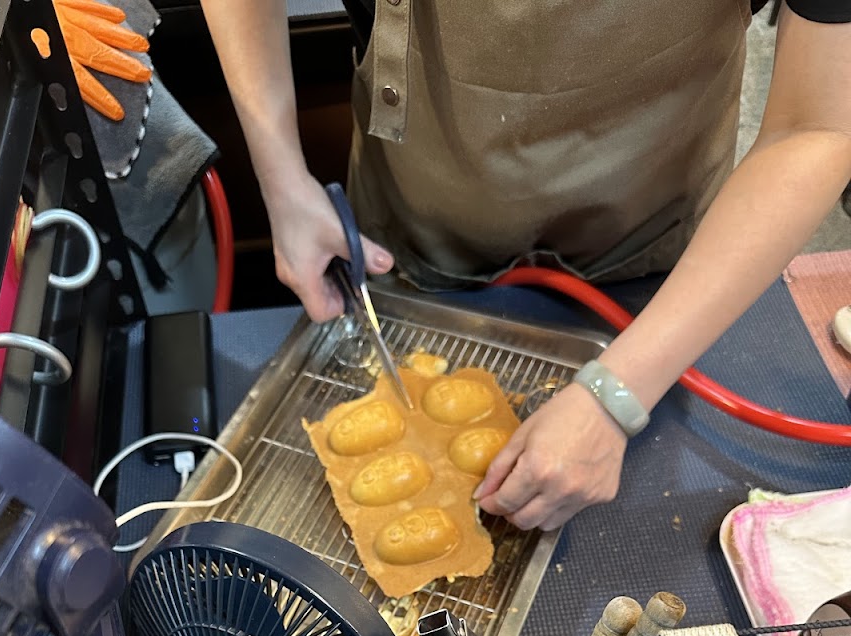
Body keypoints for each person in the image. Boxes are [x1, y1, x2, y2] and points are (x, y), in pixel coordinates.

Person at [199, 0, 851, 532]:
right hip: (415, 208)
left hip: (652, 226)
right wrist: (282, 179)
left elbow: (817, 126)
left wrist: (620, 393)